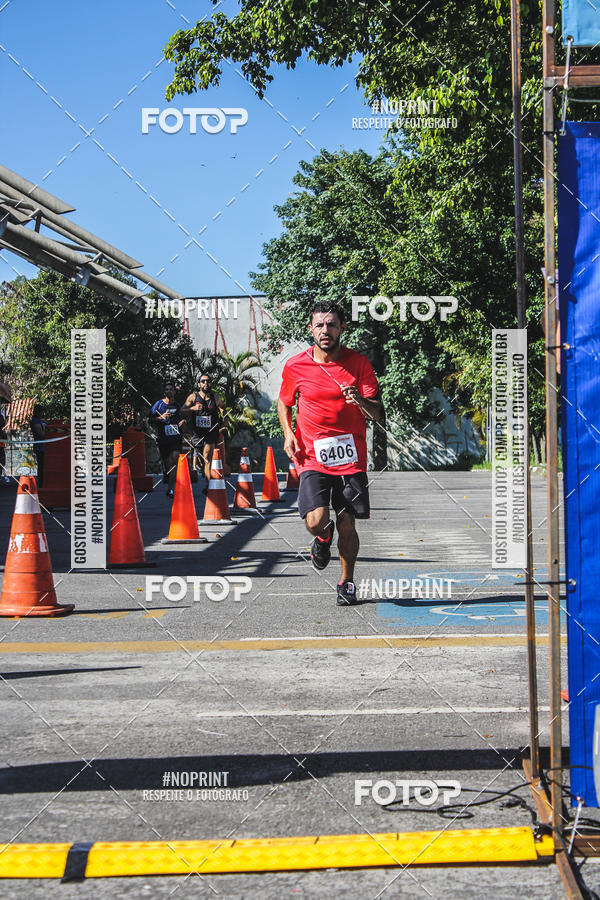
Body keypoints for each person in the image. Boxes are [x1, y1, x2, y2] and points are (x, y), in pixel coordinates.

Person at [277, 301, 382, 606]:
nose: (326, 330)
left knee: (348, 523)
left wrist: (360, 399)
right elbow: (284, 402)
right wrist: (287, 434)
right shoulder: (296, 365)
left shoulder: (358, 363)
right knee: (315, 520)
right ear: (311, 329)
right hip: (312, 456)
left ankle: (347, 582)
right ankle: (323, 537)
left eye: (332, 324)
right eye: (320, 325)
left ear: (342, 328)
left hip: (351, 459)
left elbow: (377, 413)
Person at [181, 374, 224, 493]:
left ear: (210, 383)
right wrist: (192, 409)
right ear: (199, 384)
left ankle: (208, 485)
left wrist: (225, 420)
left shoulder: (215, 397)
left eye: (208, 381)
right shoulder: (193, 397)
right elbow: (182, 410)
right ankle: (206, 476)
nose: (206, 383)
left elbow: (223, 408)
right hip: (197, 434)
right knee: (202, 461)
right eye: (203, 381)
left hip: (211, 432)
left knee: (207, 457)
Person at [149, 383, 184, 498]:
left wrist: (183, 422)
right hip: (163, 439)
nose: (169, 391)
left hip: (176, 438)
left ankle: (170, 489)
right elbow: (150, 419)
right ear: (165, 392)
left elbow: (183, 418)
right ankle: (167, 474)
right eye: (167, 390)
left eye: (171, 390)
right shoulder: (158, 405)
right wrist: (161, 417)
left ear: (174, 392)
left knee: (174, 461)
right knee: (168, 464)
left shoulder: (178, 406)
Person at [30, 405, 46, 487]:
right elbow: (41, 433)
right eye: (41, 411)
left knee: (44, 466)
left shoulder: (40, 420)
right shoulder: (35, 421)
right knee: (41, 466)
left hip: (44, 447)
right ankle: (41, 483)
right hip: (40, 447)